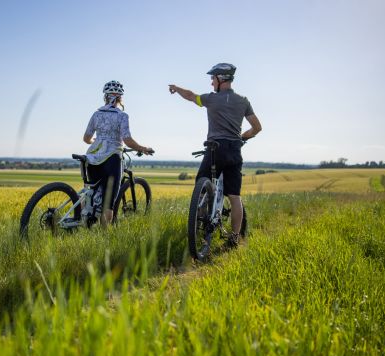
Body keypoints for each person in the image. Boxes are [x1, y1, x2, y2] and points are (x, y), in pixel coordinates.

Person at [168, 63, 262, 248]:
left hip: (215, 149)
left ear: (221, 78)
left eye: (213, 78)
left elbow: (190, 96)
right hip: (235, 149)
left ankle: (199, 225)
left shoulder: (211, 99)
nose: (211, 83)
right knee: (235, 196)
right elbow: (257, 128)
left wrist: (176, 88)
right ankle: (234, 238)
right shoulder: (243, 101)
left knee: (202, 184)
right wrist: (242, 137)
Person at [83, 80, 154, 226]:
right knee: (109, 202)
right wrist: (143, 148)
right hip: (112, 159)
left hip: (92, 158)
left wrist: (97, 143)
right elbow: (127, 140)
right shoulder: (122, 116)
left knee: (93, 192)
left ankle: (83, 223)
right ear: (119, 98)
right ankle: (104, 240)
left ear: (105, 96)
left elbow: (86, 139)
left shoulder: (96, 114)